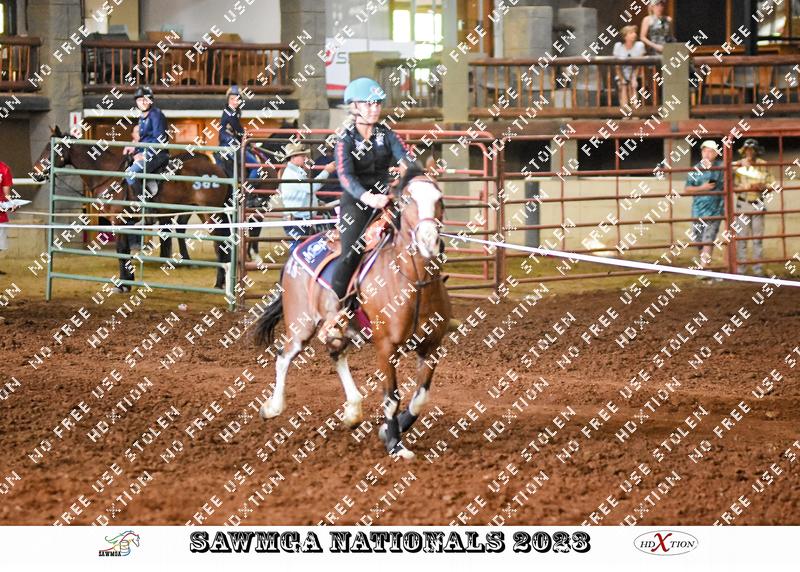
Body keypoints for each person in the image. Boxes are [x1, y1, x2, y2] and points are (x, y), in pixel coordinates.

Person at [316, 77, 417, 348]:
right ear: (354, 106)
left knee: (419, 236)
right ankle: (334, 312)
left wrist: (414, 174)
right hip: (356, 204)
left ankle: (426, 302)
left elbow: (406, 158)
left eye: (377, 103)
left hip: (387, 200)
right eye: (368, 103)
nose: (374, 108)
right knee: (351, 252)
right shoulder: (344, 139)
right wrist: (368, 198)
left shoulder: (387, 134)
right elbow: (345, 177)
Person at [278, 142, 336, 252]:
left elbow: (305, 191)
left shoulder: (295, 172)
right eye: (302, 156)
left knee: (300, 247)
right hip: (297, 219)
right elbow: (310, 188)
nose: (305, 158)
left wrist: (317, 202)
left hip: (298, 218)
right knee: (298, 249)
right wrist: (326, 171)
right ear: (293, 157)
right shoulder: (293, 174)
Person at [733, 138, 774, 275]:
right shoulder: (738, 165)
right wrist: (746, 187)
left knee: (757, 239)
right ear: (744, 151)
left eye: (752, 150)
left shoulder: (763, 165)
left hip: (757, 203)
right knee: (742, 239)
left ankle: (758, 269)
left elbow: (772, 185)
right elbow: (732, 186)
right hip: (743, 202)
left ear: (756, 151)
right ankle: (741, 269)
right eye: (747, 150)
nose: (749, 152)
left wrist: (763, 186)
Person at [685, 140, 724, 276]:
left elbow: (732, 168)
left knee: (708, 238)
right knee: (698, 239)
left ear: (716, 153)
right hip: (698, 209)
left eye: (711, 151)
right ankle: (705, 263)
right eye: (705, 150)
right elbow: (687, 188)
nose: (707, 154)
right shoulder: (695, 169)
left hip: (715, 209)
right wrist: (702, 187)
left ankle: (704, 267)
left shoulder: (721, 168)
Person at [123, 86, 169, 200]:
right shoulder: (142, 117)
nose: (142, 102)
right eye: (139, 100)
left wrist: (145, 155)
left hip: (157, 154)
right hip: (146, 152)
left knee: (130, 174)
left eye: (145, 99)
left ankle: (144, 203)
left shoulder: (156, 114)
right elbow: (143, 140)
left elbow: (160, 139)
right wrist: (134, 149)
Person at [219, 85, 259, 181]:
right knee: (256, 167)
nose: (234, 101)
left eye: (237, 99)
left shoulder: (230, 112)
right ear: (228, 100)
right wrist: (250, 141)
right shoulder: (231, 114)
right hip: (230, 145)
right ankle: (247, 188)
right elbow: (239, 131)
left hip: (228, 143)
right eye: (232, 99)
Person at [613, 25, 646, 109]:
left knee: (633, 86)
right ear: (625, 36)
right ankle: (625, 111)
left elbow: (639, 65)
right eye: (631, 33)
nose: (634, 34)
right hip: (622, 74)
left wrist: (634, 78)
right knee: (623, 86)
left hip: (636, 74)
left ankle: (635, 111)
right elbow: (617, 66)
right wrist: (622, 79)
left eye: (634, 32)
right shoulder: (618, 46)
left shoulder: (640, 45)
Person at [0, 160, 17, 275]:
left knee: (0, 244)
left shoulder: (4, 168)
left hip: (0, 213)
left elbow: (6, 194)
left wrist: (11, 203)